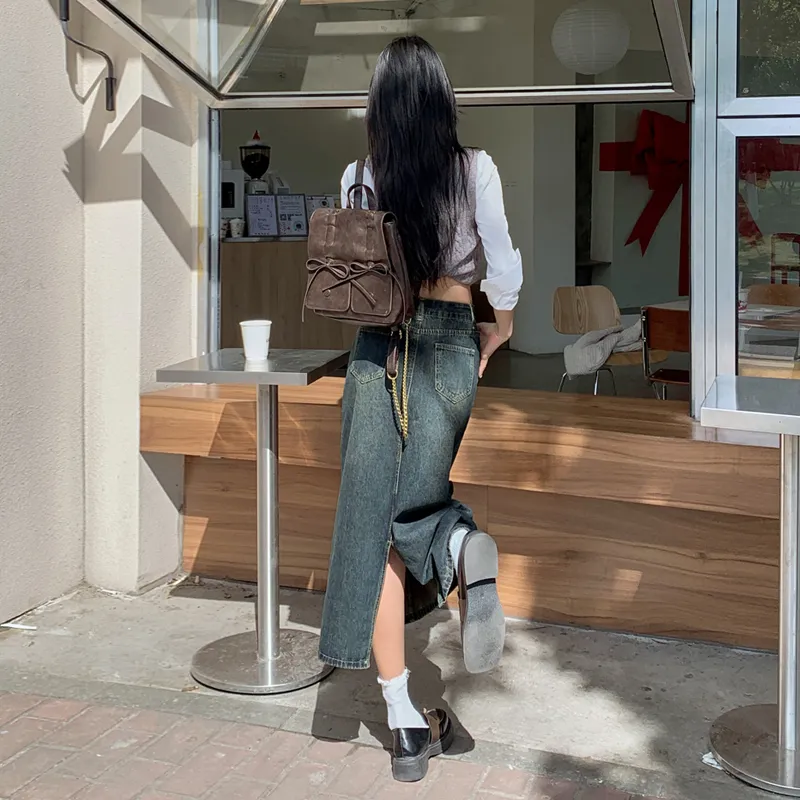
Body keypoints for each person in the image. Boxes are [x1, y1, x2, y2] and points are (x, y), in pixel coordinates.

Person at [319, 35, 523, 783]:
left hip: (378, 349)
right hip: (449, 342)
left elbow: (352, 275)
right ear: (442, 99)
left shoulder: (360, 177)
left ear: (379, 103)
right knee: (417, 506)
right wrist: (498, 329)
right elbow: (503, 266)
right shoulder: (476, 169)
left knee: (374, 524)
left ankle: (405, 722)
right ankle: (461, 542)